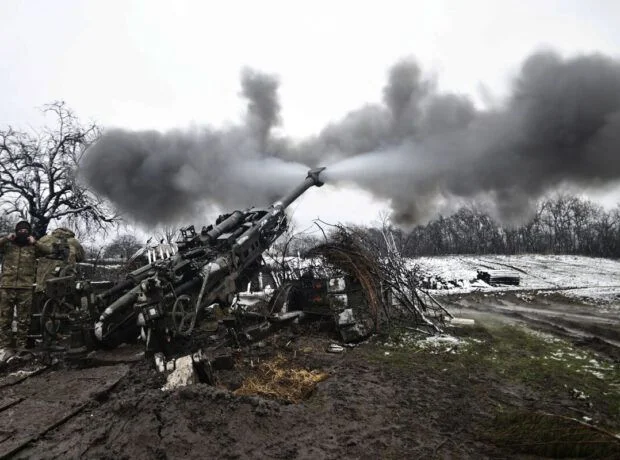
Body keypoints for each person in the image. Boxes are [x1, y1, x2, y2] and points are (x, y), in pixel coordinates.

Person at [0, 220, 51, 359]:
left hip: (25, 288)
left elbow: (49, 251)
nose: (22, 232)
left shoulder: (33, 247)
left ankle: (21, 347)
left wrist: (35, 242)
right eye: (20, 230)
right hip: (6, 286)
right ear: (16, 231)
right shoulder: (8, 245)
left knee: (24, 320)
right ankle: (5, 347)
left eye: (25, 230)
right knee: (5, 319)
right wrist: (5, 239)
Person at [32, 227, 86, 345]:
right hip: (65, 282)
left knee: (45, 310)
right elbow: (82, 257)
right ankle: (65, 336)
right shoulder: (73, 241)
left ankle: (46, 336)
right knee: (66, 309)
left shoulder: (44, 239)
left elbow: (35, 254)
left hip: (44, 282)